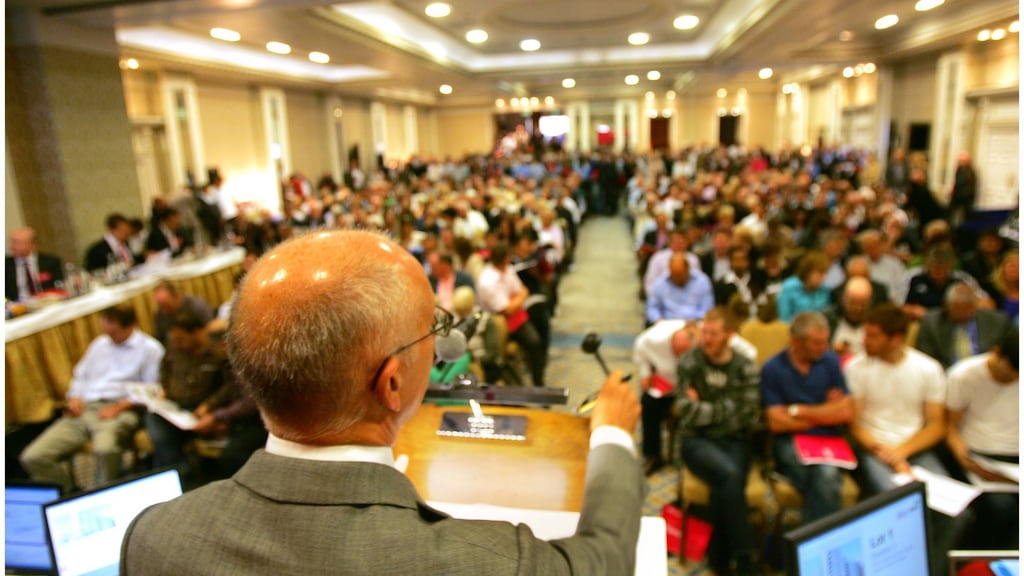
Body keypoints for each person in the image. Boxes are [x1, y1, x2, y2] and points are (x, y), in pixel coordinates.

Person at [122, 229, 644, 575]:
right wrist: (614, 432)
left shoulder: (155, 538)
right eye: (432, 329)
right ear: (391, 386)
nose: (441, 340)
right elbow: (602, 558)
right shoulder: (485, 561)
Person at [19, 304, 165, 493]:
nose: (109, 337)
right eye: (106, 331)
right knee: (33, 456)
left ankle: (101, 495)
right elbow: (81, 376)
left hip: (118, 410)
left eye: (114, 333)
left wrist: (120, 407)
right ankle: (68, 493)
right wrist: (74, 399)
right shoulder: (100, 344)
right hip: (86, 408)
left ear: (129, 326)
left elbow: (151, 389)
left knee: (105, 451)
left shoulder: (150, 349)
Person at [675, 307, 762, 576]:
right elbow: (685, 412)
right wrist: (727, 408)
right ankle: (746, 558)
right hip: (696, 442)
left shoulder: (745, 367)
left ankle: (720, 559)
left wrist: (706, 408)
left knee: (728, 481)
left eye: (714, 334)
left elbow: (748, 417)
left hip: (735, 442)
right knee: (730, 473)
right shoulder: (689, 362)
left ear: (729, 336)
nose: (706, 339)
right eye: (704, 332)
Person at [844, 304, 948, 497]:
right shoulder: (855, 368)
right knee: (897, 498)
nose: (864, 341)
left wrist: (902, 452)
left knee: (952, 509)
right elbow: (854, 425)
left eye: (873, 336)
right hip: (874, 448)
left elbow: (936, 425)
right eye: (865, 334)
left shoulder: (929, 369)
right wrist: (892, 457)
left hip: (915, 447)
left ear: (896, 339)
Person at [761, 311, 853, 524]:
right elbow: (776, 422)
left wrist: (797, 410)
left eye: (825, 342)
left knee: (823, 476)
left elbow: (846, 411)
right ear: (796, 341)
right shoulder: (773, 368)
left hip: (829, 441)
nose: (824, 347)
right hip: (790, 442)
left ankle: (804, 543)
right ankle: (823, 541)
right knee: (828, 477)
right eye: (816, 343)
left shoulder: (830, 361)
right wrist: (826, 411)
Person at [945, 329, 1018, 550]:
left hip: (1015, 459)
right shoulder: (964, 375)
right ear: (997, 353)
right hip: (979, 455)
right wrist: (964, 457)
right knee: (1001, 507)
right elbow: (950, 428)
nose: (1015, 377)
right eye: (1012, 371)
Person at [146, 310, 230, 479]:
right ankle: (177, 473)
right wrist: (166, 388)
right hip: (175, 407)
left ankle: (178, 475)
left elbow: (230, 386)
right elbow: (165, 369)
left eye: (181, 339)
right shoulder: (174, 350)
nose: (177, 344)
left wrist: (210, 405)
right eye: (174, 340)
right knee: (157, 427)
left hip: (204, 408)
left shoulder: (216, 351)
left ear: (197, 333)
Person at [191, 319, 267, 480]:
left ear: (224, 344)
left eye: (212, 347)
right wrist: (210, 408)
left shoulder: (247, 360)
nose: (211, 352)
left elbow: (249, 404)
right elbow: (228, 391)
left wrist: (216, 417)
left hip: (261, 423)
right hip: (243, 420)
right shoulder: (229, 362)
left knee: (230, 457)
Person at [632, 319, 699, 475]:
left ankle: (693, 457)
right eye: (677, 352)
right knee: (648, 403)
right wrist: (646, 373)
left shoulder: (704, 335)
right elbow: (640, 348)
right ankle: (652, 456)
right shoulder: (654, 338)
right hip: (667, 384)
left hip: (694, 385)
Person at [477, 243, 547, 387]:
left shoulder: (508, 270)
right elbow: (506, 310)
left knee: (541, 321)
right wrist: (518, 299)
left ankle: (538, 380)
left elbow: (524, 290)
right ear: (503, 259)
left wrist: (516, 300)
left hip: (516, 316)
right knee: (534, 341)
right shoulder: (487, 281)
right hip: (498, 323)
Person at [915, 282, 1011, 369]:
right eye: (958, 310)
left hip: (986, 375)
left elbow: (1008, 355)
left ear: (975, 305)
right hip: (947, 376)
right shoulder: (932, 323)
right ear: (947, 306)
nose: (963, 314)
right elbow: (926, 358)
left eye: (968, 310)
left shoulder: (997, 322)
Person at [646, 252, 714, 324]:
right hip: (667, 323)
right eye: (674, 275)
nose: (677, 279)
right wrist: (658, 319)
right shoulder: (660, 283)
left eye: (680, 275)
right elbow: (652, 308)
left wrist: (697, 319)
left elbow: (708, 308)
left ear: (687, 269)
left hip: (695, 322)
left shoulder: (702, 281)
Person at [5, 226, 63, 302]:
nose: (12, 247)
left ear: (32, 244)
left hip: (48, 302)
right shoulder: (6, 265)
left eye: (17, 242)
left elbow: (60, 285)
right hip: (19, 308)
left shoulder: (50, 261)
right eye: (12, 242)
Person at [825, 276, 875, 359]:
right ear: (844, 299)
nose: (857, 309)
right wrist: (831, 350)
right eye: (853, 303)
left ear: (870, 303)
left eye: (863, 305)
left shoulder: (877, 322)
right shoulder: (828, 319)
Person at [775, 251, 832, 322]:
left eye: (825, 273)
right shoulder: (790, 287)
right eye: (819, 273)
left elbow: (825, 317)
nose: (823, 277)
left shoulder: (824, 291)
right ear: (808, 271)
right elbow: (783, 318)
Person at [152, 281, 213, 345]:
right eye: (161, 306)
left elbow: (211, 328)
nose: (164, 311)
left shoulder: (196, 306)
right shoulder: (161, 313)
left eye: (167, 305)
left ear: (177, 296)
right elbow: (160, 339)